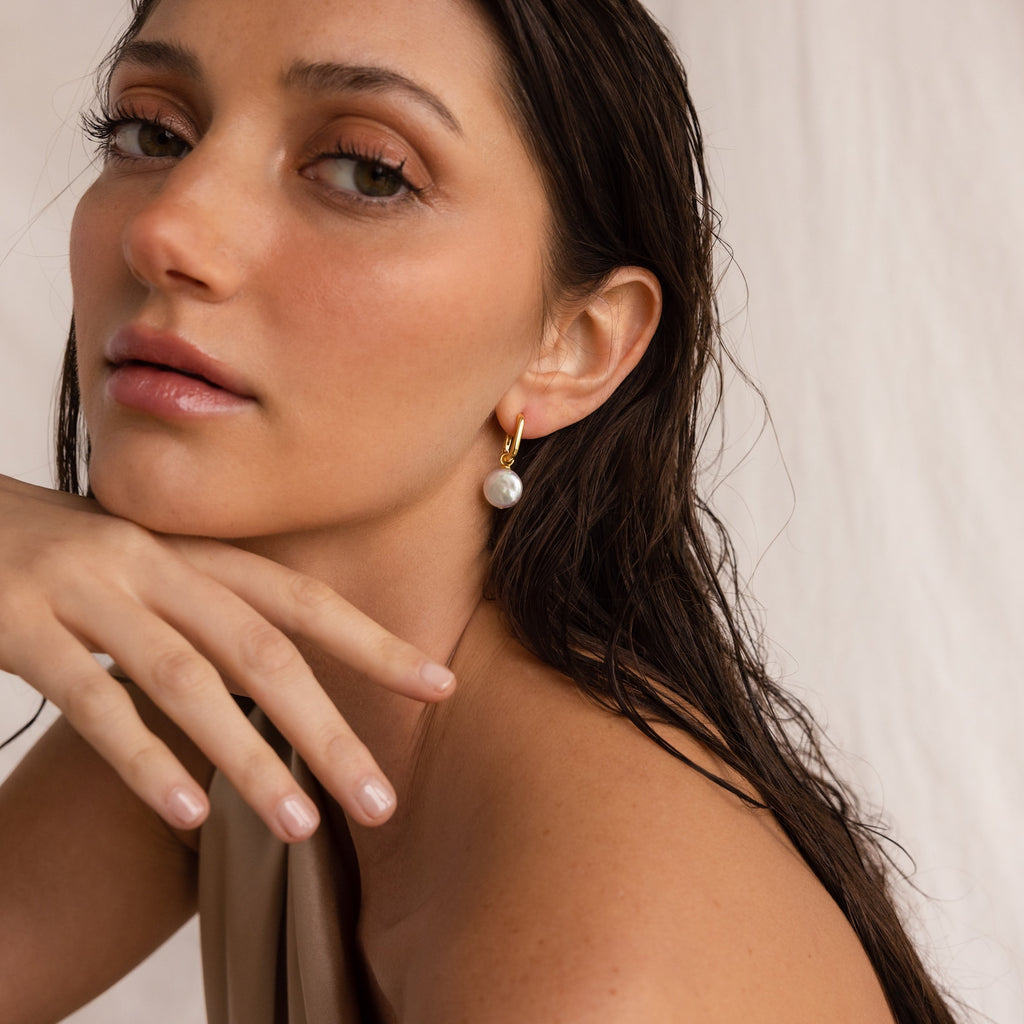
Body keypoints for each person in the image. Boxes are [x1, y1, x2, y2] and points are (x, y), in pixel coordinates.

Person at [0, 0, 962, 1020]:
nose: (166, 227)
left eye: (367, 170)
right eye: (152, 133)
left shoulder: (601, 960)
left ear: (575, 344)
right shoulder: (239, 699)